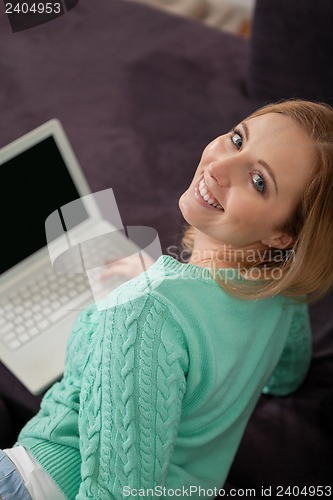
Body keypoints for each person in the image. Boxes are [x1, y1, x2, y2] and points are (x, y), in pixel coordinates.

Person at [1, 99, 333, 499]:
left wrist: (153, 303)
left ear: (283, 235)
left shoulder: (143, 312)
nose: (218, 167)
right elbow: (286, 376)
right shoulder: (282, 286)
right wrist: (167, 288)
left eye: (259, 181)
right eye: (237, 139)